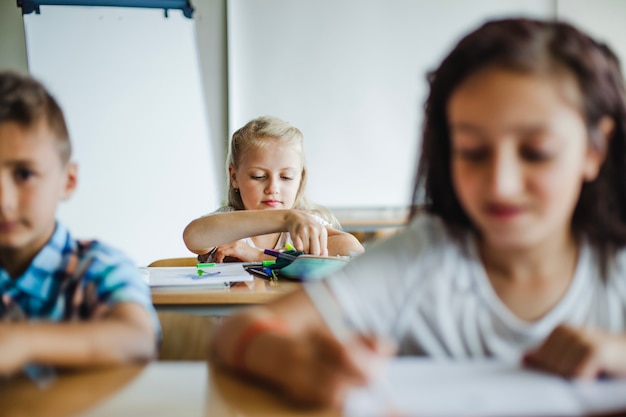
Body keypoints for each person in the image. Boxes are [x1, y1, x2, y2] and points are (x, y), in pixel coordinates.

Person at [209, 18, 626, 407]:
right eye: (472, 151)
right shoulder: (421, 257)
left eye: (536, 153)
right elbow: (234, 333)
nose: (501, 183)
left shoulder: (615, 264)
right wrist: (295, 362)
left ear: (595, 149)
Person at [0, 71, 159, 376]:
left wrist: (22, 341)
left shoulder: (98, 267)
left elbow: (138, 338)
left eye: (24, 175)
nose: (3, 200)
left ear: (68, 181)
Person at [183, 115, 363, 263]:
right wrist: (286, 218)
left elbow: (352, 247)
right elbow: (193, 236)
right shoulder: (227, 223)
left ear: (300, 180)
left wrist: (261, 256)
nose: (273, 188)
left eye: (286, 177)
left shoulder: (305, 224)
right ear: (234, 176)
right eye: (258, 176)